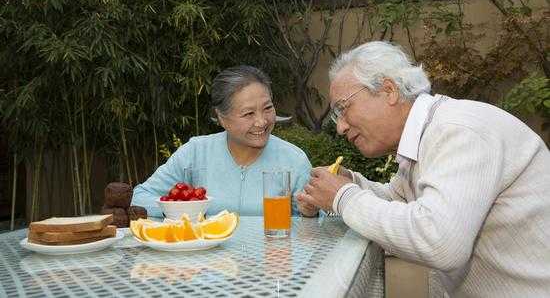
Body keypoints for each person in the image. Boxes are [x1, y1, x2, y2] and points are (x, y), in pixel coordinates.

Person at [297, 41, 550, 297]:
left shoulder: (458, 131)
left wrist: (343, 197)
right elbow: (399, 200)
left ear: (388, 90)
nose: (340, 127)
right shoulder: (426, 135)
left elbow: (440, 242)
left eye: (343, 108)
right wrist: (351, 183)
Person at [132, 65, 316, 217]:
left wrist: (311, 212)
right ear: (222, 118)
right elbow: (139, 197)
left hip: (274, 258)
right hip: (205, 258)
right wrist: (180, 210)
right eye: (248, 113)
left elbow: (320, 223)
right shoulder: (195, 152)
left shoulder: (294, 159)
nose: (262, 121)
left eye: (268, 108)